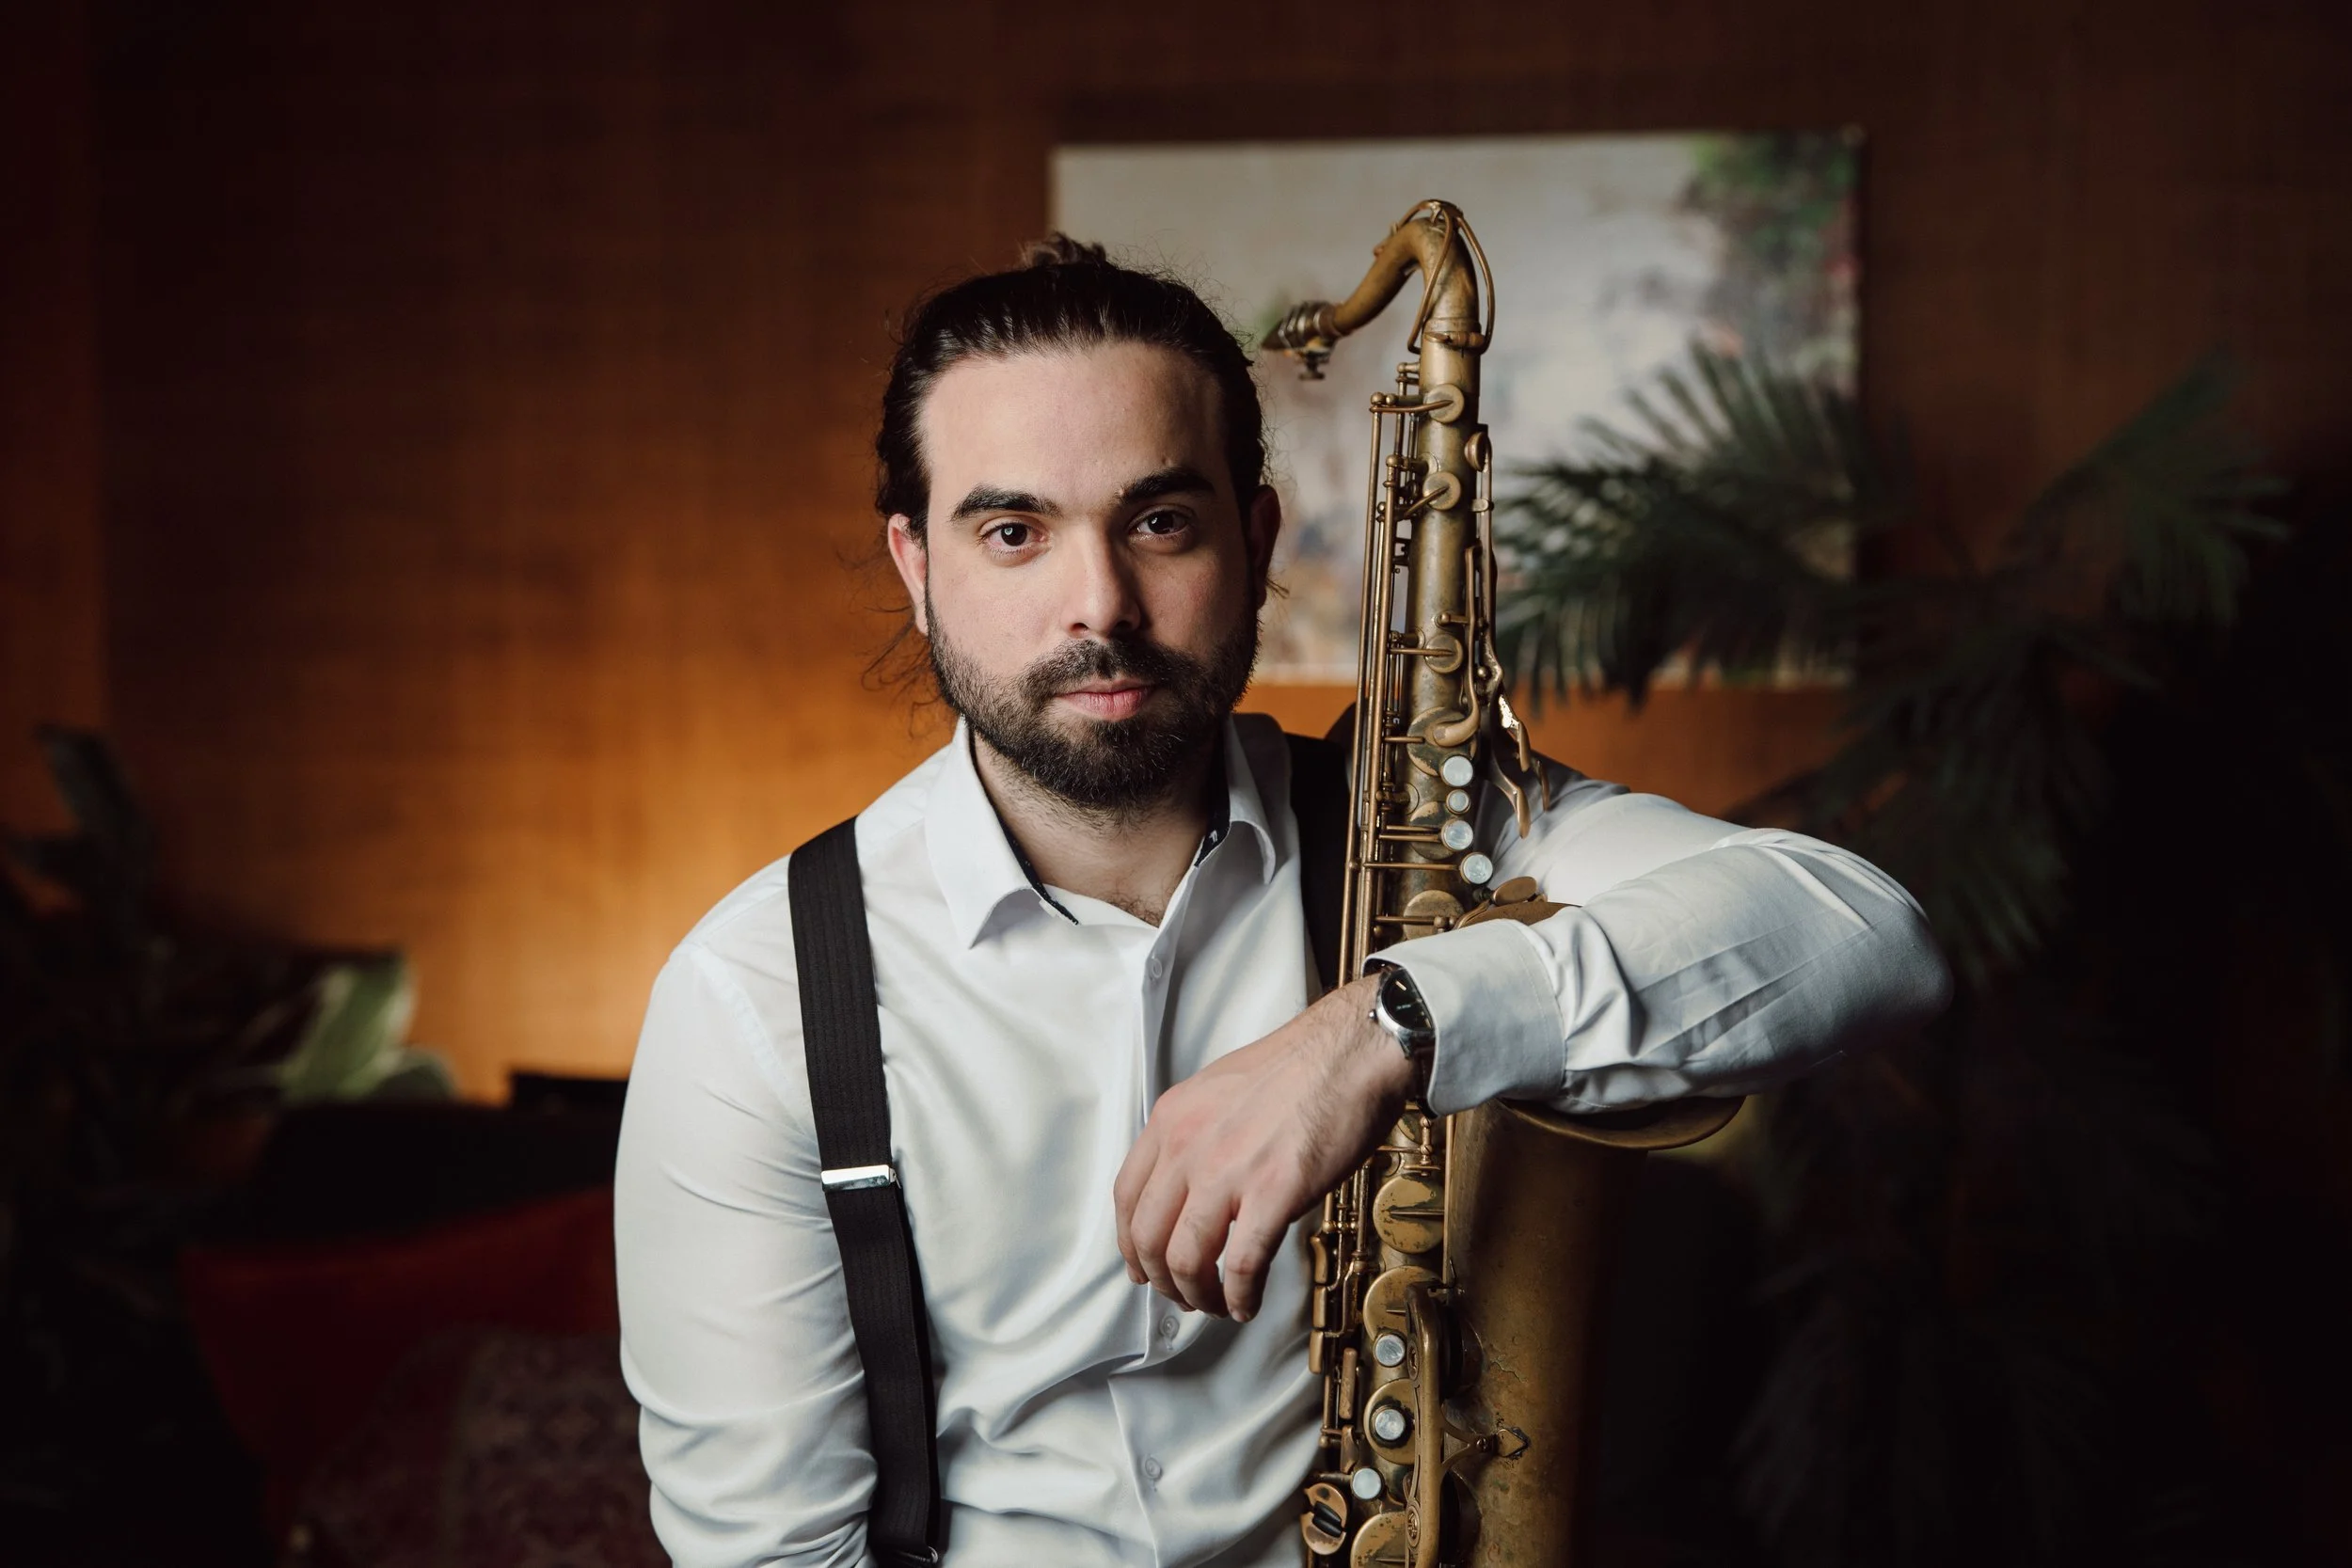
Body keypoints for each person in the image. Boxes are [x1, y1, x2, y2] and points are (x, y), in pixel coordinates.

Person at [613, 237, 1951, 1568]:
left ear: (1255, 542)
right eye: (1015, 532)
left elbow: (1867, 933)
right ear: (917, 566)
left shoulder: (1431, 831)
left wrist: (1385, 1027)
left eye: (1159, 522)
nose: (1100, 606)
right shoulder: (757, 997)